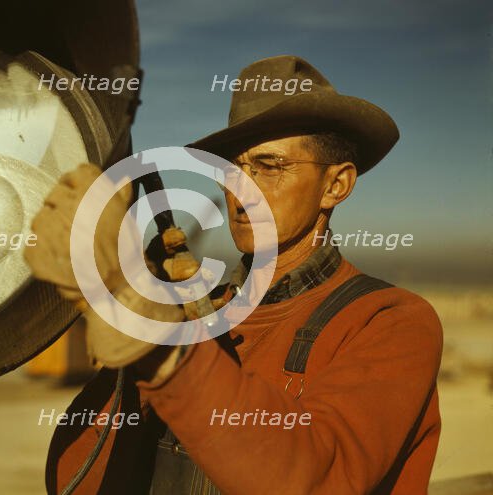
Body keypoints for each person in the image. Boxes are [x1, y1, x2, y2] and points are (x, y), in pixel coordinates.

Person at [24, 55, 443, 494]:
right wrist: (138, 326)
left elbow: (317, 477)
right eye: (231, 168)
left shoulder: (390, 322)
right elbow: (75, 479)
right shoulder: (199, 314)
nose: (239, 191)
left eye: (270, 166)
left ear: (335, 185)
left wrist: (161, 345)